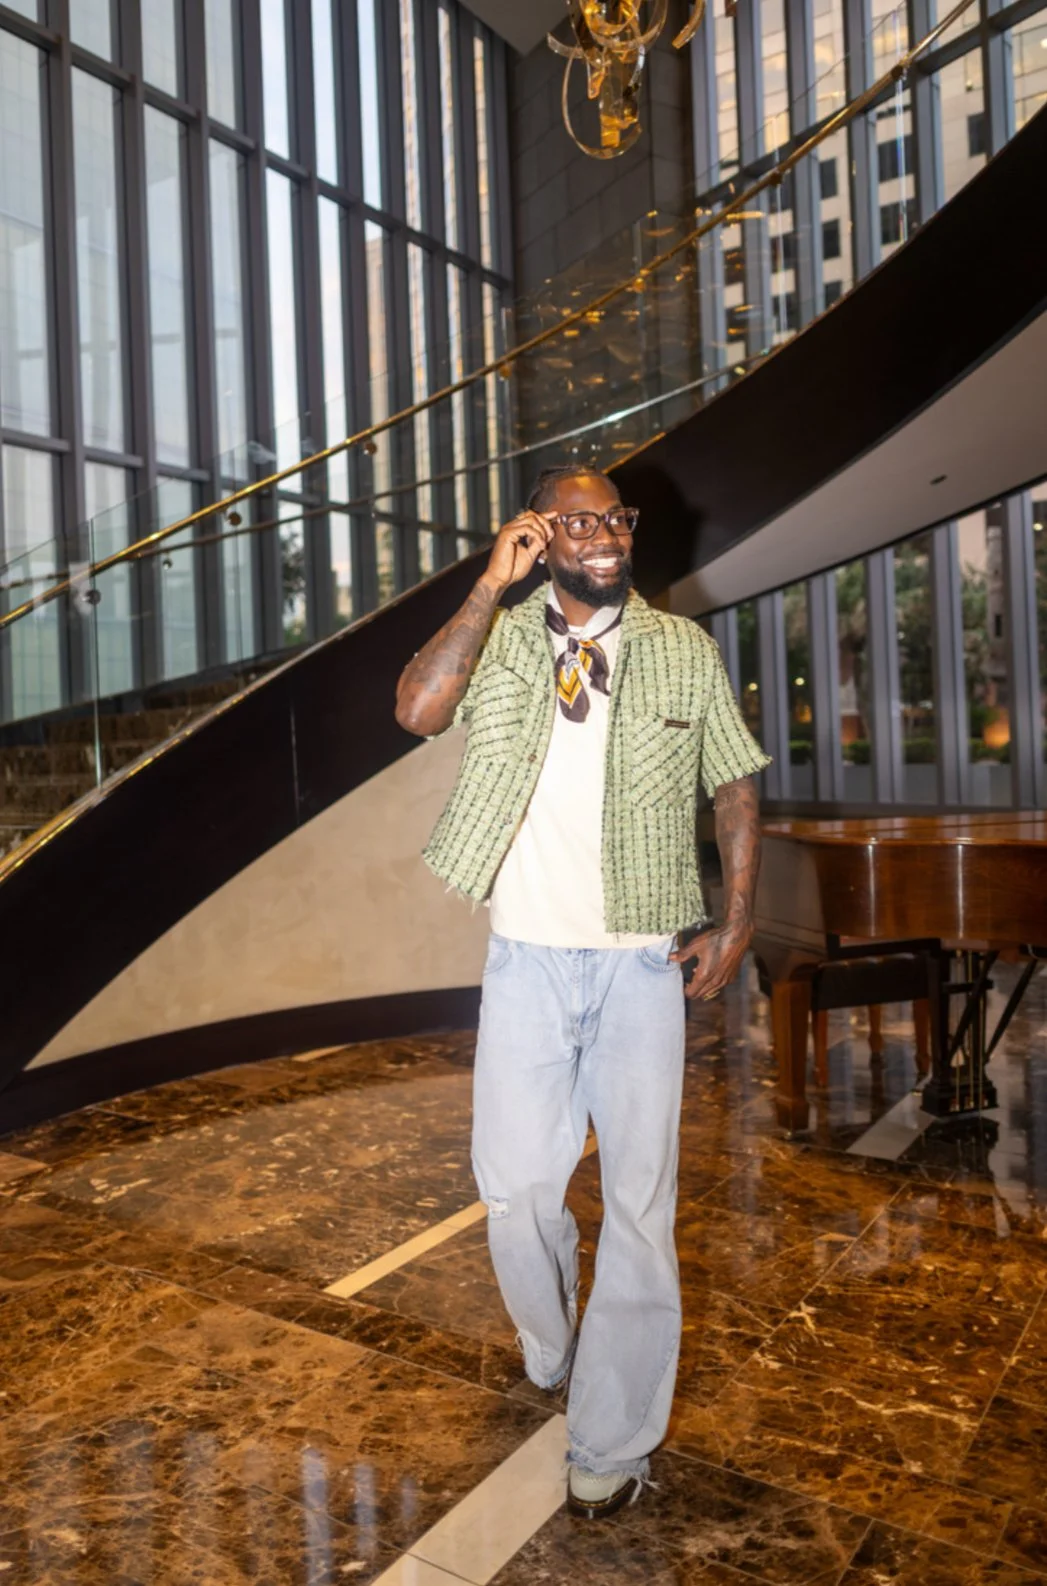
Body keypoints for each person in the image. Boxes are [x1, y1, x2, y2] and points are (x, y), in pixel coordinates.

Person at [395, 465, 769, 1518]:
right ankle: (551, 1331)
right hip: (526, 956)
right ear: (540, 535)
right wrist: (485, 588)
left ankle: (611, 1434)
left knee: (641, 1205)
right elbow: (418, 709)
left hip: (641, 961)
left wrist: (737, 914)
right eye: (577, 522)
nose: (602, 536)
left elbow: (734, 778)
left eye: (614, 518)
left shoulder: (681, 651)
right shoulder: (507, 636)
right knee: (514, 1187)